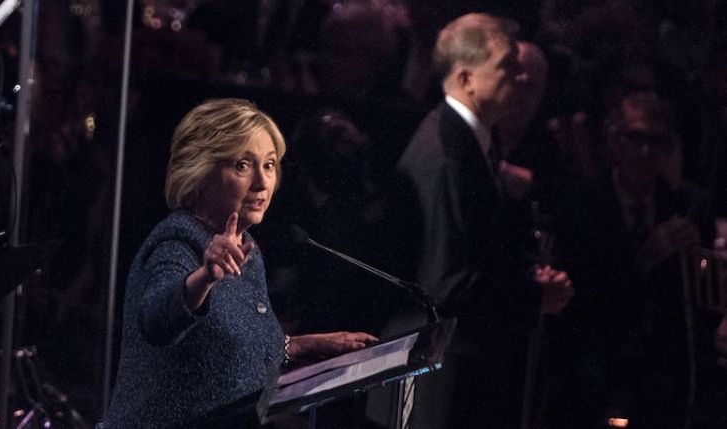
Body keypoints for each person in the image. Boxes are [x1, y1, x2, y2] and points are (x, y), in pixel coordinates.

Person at [102, 98, 377, 429]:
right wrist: (204, 277)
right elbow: (158, 320)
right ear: (200, 171)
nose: (262, 183)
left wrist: (307, 346)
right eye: (243, 165)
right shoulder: (177, 242)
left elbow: (234, 348)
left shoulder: (246, 248)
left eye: (270, 165)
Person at [394, 13, 574, 429]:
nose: (523, 78)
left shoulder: (472, 141)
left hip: (464, 371)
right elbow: (445, 282)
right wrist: (532, 298)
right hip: (444, 380)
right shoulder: (447, 155)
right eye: (508, 66)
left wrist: (529, 273)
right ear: (466, 77)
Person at [550, 91, 716, 429]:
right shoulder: (583, 205)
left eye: (657, 142)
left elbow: (704, 301)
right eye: (635, 137)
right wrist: (643, 258)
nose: (645, 152)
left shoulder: (688, 206)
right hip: (600, 366)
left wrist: (698, 258)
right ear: (613, 140)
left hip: (665, 373)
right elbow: (582, 298)